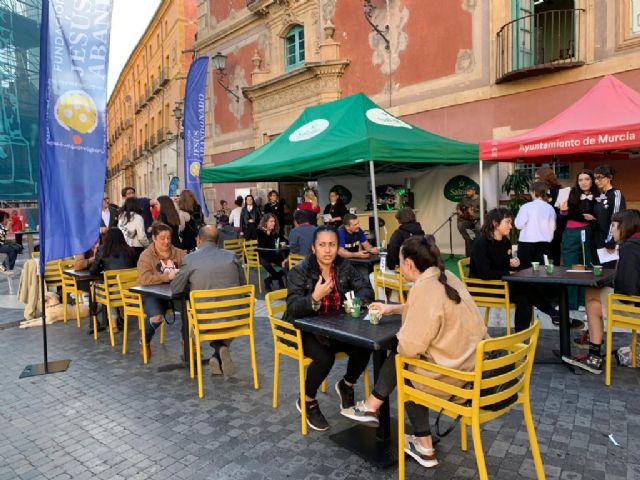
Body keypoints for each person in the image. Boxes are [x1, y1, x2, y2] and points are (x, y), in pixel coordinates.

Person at [341, 235, 487, 469]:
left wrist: (404, 332)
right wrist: (396, 309)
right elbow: (438, 308)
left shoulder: (423, 288)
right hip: (476, 365)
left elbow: (408, 347)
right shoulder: (447, 276)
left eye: (399, 262)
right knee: (409, 361)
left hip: (459, 379)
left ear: (409, 264)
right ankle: (377, 411)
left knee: (404, 362)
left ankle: (378, 412)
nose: (399, 267)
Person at [286, 226, 374, 431]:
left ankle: (347, 385)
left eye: (332, 245)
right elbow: (292, 308)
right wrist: (315, 297)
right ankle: (307, 400)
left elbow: (365, 287)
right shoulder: (300, 271)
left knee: (366, 345)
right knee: (325, 358)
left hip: (337, 327)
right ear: (313, 248)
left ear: (337, 247)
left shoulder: (343, 266)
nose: (327, 250)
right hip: (306, 329)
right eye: (322, 245)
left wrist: (357, 301)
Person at [563, 209, 640, 374]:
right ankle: (593, 352)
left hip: (635, 308)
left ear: (624, 227)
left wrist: (614, 286)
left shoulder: (629, 249)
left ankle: (594, 357)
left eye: (614, 225)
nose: (611, 230)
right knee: (593, 295)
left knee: (592, 302)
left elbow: (627, 291)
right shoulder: (634, 245)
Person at [170, 225, 245, 376]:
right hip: (234, 318)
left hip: (204, 320)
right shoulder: (232, 256)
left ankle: (218, 348)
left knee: (193, 328)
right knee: (226, 324)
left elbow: (176, 289)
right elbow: (243, 285)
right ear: (218, 241)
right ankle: (218, 355)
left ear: (198, 240)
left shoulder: (190, 259)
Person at [470, 208, 559, 332]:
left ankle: (519, 340)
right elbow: (485, 273)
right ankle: (552, 312)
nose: (511, 226)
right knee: (526, 288)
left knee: (524, 298)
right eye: (507, 222)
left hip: (502, 284)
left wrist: (514, 264)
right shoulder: (481, 244)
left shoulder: (505, 242)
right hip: (485, 287)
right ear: (495, 223)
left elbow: (502, 264)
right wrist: (509, 272)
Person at [137, 223, 186, 356]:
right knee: (156, 317)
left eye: (169, 238)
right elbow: (144, 279)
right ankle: (145, 339)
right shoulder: (146, 256)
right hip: (153, 294)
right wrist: (166, 277)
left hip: (175, 293)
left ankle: (187, 341)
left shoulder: (180, 253)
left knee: (190, 312)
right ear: (154, 238)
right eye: (162, 238)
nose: (167, 241)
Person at [559, 170, 597, 312]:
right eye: (580, 179)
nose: (584, 182)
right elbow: (563, 216)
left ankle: (583, 301)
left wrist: (576, 215)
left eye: (587, 179)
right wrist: (565, 212)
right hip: (570, 233)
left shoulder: (598, 196)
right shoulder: (571, 193)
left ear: (592, 180)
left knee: (586, 267)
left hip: (588, 233)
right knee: (570, 267)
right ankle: (570, 303)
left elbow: (596, 215)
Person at [89, 228, 136, 332]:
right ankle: (123, 316)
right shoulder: (130, 250)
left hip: (114, 292)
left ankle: (113, 324)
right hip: (130, 290)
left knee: (106, 289)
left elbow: (93, 271)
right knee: (114, 287)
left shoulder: (102, 250)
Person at [513, 181, 556, 269]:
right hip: (544, 244)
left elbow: (518, 225)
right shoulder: (550, 208)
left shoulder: (526, 207)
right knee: (541, 271)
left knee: (525, 271)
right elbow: (553, 227)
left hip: (526, 243)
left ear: (533, 192)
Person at [592, 165, 626, 269]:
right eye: (595, 178)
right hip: (597, 240)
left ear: (609, 177)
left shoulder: (615, 194)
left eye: (600, 177)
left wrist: (611, 241)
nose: (597, 181)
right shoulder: (600, 195)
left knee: (608, 273)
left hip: (608, 242)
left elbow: (617, 218)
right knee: (597, 273)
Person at [535, 166, 564, 265]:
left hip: (555, 230)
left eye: (537, 178)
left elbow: (561, 213)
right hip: (541, 231)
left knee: (553, 258)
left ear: (545, 178)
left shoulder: (559, 192)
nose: (535, 181)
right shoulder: (540, 192)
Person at [257, 213, 286, 292]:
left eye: (274, 221)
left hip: (274, 255)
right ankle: (279, 280)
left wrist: (283, 242)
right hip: (264, 255)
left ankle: (268, 280)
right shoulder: (260, 231)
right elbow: (263, 246)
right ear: (266, 222)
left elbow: (283, 240)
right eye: (271, 221)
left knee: (286, 265)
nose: (273, 223)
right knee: (266, 264)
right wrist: (267, 234)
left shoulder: (276, 231)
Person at [118, 197, 149, 262]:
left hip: (123, 247)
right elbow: (141, 236)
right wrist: (147, 245)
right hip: (136, 248)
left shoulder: (120, 217)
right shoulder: (138, 217)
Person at [456, 185, 481, 258]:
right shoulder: (465, 199)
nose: (467, 193)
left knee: (478, 228)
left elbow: (482, 214)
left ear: (474, 191)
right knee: (460, 225)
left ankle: (478, 248)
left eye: (469, 191)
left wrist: (473, 214)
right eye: (466, 191)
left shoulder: (481, 200)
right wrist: (459, 210)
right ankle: (468, 239)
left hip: (478, 220)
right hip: (469, 220)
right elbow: (458, 205)